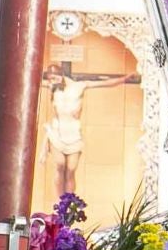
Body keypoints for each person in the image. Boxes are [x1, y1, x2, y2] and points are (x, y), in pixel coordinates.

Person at [39, 64, 138, 199]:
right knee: (60, 166)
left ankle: (67, 204)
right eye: (50, 79)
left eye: (55, 77)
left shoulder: (79, 86)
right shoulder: (52, 88)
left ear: (61, 74)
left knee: (71, 170)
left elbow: (105, 83)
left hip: (74, 133)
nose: (53, 81)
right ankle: (58, 202)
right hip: (57, 132)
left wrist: (125, 78)